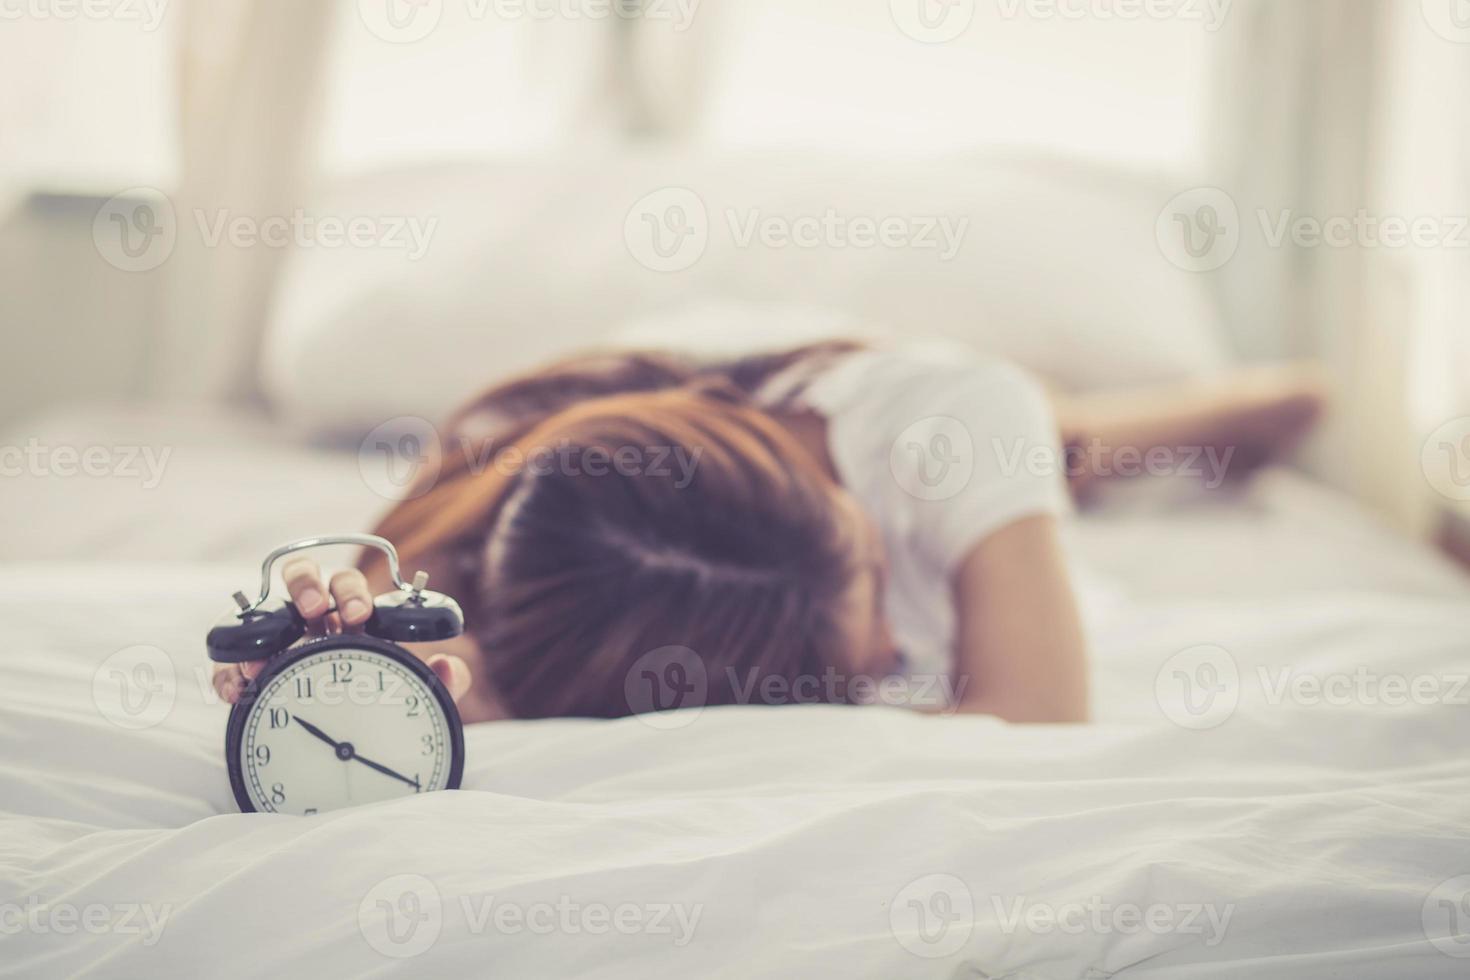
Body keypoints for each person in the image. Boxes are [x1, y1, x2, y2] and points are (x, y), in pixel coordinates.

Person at [212, 341, 1323, 724]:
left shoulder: (949, 425)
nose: (894, 655)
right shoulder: (543, 516)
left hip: (894, 400)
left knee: (1048, 442)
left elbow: (1040, 712)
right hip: (688, 410)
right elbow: (382, 563)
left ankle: (1221, 407)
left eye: (877, 592)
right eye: (850, 671)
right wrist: (341, 636)